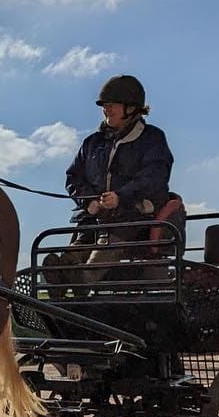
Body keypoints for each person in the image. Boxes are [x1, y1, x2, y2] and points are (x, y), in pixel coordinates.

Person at [46, 75, 179, 291]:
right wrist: (88, 201)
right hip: (95, 216)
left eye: (111, 105)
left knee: (107, 244)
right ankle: (60, 275)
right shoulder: (92, 143)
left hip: (133, 217)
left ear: (131, 108)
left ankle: (82, 280)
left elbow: (153, 177)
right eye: (104, 106)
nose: (106, 110)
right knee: (81, 242)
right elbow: (73, 177)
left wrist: (121, 197)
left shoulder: (153, 139)